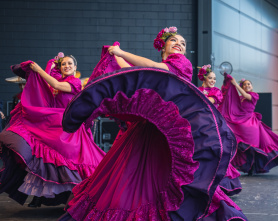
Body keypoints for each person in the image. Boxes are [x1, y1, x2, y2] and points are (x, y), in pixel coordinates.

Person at [59, 27, 247, 220]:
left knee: (155, 175)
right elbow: (132, 73)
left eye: (183, 43)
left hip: (168, 134)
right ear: (163, 47)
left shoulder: (181, 63)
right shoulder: (156, 72)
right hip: (149, 127)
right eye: (174, 40)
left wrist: (121, 53)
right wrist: (116, 57)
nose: (179, 45)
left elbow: (151, 67)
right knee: (131, 174)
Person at [0, 53, 105, 208]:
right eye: (63, 64)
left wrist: (39, 69)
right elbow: (49, 83)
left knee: (68, 161)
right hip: (55, 126)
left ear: (75, 68)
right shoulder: (60, 79)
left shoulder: (75, 82)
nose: (67, 66)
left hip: (69, 129)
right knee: (46, 159)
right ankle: (41, 197)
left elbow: (55, 84)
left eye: (70, 64)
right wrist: (50, 66)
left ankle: (77, 200)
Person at [218, 74, 278, 175]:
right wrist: (227, 84)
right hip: (240, 123)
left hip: (250, 125)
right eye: (245, 85)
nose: (247, 86)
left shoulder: (254, 95)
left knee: (253, 147)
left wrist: (235, 84)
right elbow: (231, 100)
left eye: (249, 84)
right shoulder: (239, 98)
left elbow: (245, 95)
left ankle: (253, 167)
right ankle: (250, 167)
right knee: (243, 147)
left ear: (252, 86)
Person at [197, 65, 242, 196]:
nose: (213, 81)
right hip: (200, 125)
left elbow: (206, 102)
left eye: (214, 79)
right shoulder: (198, 90)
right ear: (204, 78)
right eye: (210, 78)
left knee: (216, 152)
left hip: (213, 125)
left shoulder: (216, 91)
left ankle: (219, 185)